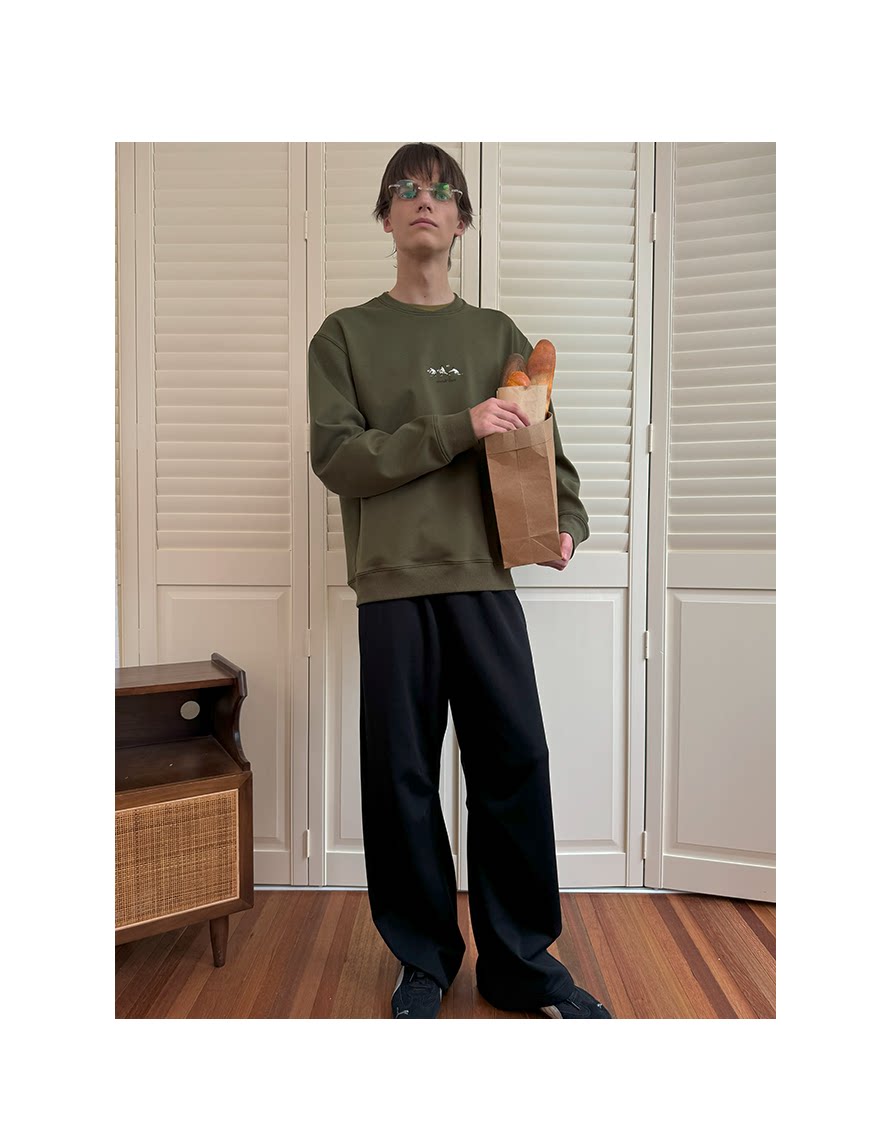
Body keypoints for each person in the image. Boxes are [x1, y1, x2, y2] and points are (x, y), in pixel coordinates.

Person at [308, 142, 613, 1019]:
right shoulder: (345, 335)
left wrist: (565, 523)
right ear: (385, 215)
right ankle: (424, 962)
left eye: (441, 191)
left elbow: (547, 451)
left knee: (514, 764)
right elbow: (338, 458)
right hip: (393, 585)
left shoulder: (499, 337)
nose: (423, 201)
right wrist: (458, 425)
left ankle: (520, 965)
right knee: (401, 776)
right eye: (405, 189)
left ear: (462, 220)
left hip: (485, 580)